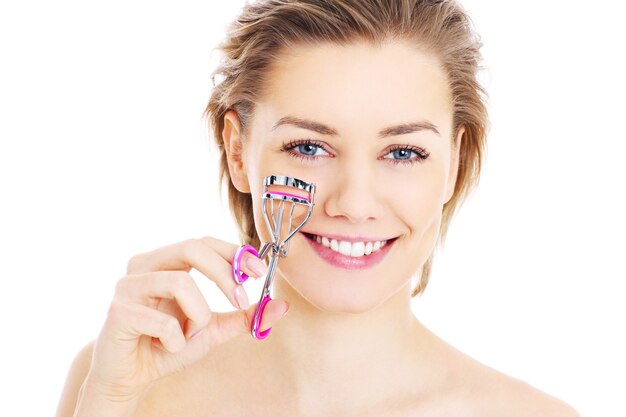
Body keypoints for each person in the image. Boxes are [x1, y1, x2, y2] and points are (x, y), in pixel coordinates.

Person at [56, 1, 580, 415]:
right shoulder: (123, 381)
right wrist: (111, 403)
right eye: (309, 147)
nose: (353, 204)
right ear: (239, 151)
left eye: (403, 152)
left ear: (454, 162)